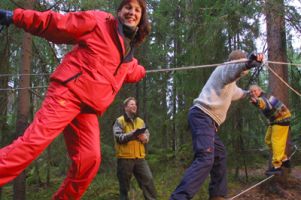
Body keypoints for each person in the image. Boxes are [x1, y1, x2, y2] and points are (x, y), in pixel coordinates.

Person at [0, 0, 151, 199]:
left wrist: (143, 71)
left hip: (87, 110)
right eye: (128, 7)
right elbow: (58, 24)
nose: (132, 12)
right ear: (119, 11)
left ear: (141, 18)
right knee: (33, 143)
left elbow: (132, 71)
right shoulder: (99, 22)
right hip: (68, 94)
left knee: (89, 160)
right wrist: (14, 16)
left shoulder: (127, 54)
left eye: (137, 10)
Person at [169, 50, 264, 200]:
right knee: (205, 157)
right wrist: (249, 63)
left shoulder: (230, 84)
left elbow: (239, 93)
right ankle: (179, 198)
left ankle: (217, 195)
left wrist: (250, 93)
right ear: (234, 62)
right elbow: (232, 70)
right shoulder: (223, 70)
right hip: (202, 116)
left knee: (219, 155)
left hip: (209, 123)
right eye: (241, 62)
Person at [113, 97, 157, 200]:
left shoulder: (140, 121)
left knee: (148, 181)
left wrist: (144, 138)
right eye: (132, 104)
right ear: (125, 107)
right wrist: (132, 134)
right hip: (125, 159)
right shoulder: (119, 121)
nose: (134, 106)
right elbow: (119, 138)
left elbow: (147, 136)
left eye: (135, 104)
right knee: (125, 188)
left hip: (140, 158)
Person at [249, 84, 291, 175]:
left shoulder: (263, 98)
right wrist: (256, 102)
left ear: (260, 90)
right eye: (251, 92)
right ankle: (284, 159)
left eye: (255, 91)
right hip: (275, 121)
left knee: (276, 141)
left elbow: (266, 104)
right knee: (268, 140)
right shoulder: (262, 97)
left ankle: (277, 166)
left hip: (282, 119)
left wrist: (257, 102)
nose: (253, 93)